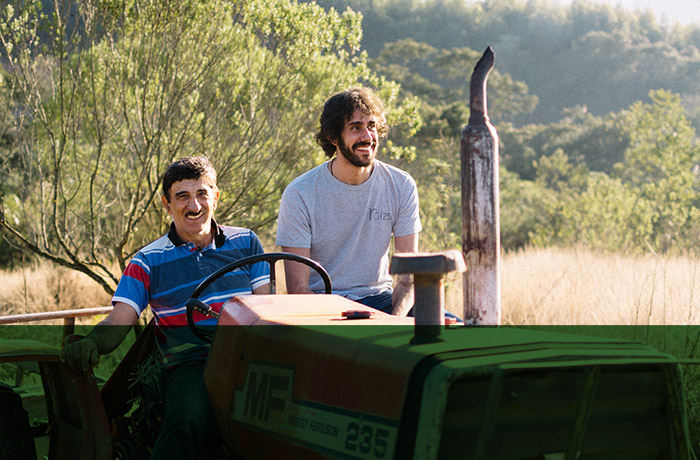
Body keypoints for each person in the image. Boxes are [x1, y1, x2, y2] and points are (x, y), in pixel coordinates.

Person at [60, 156, 270, 460]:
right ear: (166, 204)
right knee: (187, 416)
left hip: (251, 358)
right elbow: (120, 319)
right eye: (182, 196)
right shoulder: (147, 261)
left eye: (201, 194)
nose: (194, 206)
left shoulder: (246, 242)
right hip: (194, 363)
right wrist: (89, 342)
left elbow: (267, 307)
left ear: (216, 197)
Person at [276, 87, 420, 316]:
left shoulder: (401, 185)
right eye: (355, 128)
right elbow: (299, 289)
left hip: (382, 301)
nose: (367, 136)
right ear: (333, 137)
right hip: (324, 306)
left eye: (371, 126)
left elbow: (408, 280)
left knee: (446, 326)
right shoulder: (299, 193)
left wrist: (393, 322)